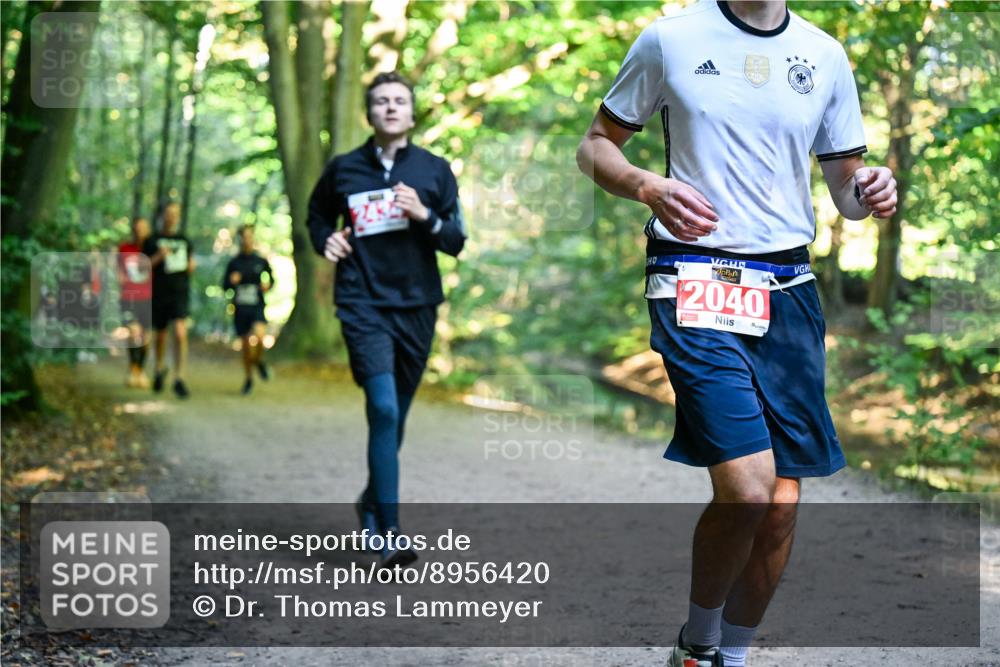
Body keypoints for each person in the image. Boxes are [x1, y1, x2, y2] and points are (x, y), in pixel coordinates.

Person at [576, 2, 898, 665]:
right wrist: (644, 184)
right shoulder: (671, 39)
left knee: (781, 504)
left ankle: (733, 654)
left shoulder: (825, 54)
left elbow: (845, 190)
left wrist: (872, 187)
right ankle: (698, 646)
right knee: (749, 490)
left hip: (789, 293)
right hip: (692, 280)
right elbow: (596, 143)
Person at [307, 71, 466, 568]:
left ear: (412, 113)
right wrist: (325, 240)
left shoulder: (435, 171)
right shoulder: (344, 170)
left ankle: (369, 501)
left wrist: (426, 216)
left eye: (400, 101)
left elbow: (456, 240)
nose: (391, 108)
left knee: (396, 412)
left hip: (417, 305)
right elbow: (315, 217)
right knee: (383, 409)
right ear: (369, 113)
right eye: (381, 101)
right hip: (361, 303)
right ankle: (390, 531)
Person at [143, 201, 195, 399]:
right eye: (168, 213)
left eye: (175, 213)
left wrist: (191, 265)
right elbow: (142, 266)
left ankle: (179, 377)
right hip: (159, 293)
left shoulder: (184, 241)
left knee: (181, 333)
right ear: (162, 215)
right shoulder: (152, 240)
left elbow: (191, 265)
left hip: (179, 293)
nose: (171, 217)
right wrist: (158, 256)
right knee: (161, 335)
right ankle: (158, 368)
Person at [222, 225, 273, 395]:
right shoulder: (234, 262)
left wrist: (267, 285)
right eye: (244, 237)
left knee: (259, 337)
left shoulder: (260, 261)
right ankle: (248, 378)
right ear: (240, 240)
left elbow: (271, 279)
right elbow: (225, 286)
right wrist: (232, 281)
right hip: (240, 307)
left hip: (256, 304)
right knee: (245, 344)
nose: (247, 240)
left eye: (250, 237)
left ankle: (258, 361)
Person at [118, 217, 154, 388]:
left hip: (148, 298)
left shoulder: (153, 249)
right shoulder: (125, 248)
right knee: (133, 333)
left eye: (143, 228)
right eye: (137, 228)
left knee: (145, 336)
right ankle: (133, 369)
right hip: (128, 296)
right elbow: (118, 270)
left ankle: (140, 370)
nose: (140, 231)